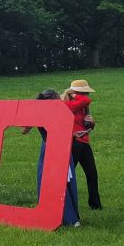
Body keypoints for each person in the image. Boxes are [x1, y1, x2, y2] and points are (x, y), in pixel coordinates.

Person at [23, 90, 80, 227]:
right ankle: (66, 218)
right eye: (57, 99)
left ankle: (69, 218)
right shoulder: (46, 113)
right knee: (57, 182)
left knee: (63, 182)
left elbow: (25, 130)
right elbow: (24, 130)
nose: (60, 101)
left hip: (59, 147)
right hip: (52, 149)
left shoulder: (56, 112)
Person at [63, 79, 102, 209]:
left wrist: (91, 123)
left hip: (84, 142)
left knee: (92, 173)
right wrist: (74, 94)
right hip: (73, 143)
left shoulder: (82, 107)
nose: (87, 96)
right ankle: (65, 203)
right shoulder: (68, 104)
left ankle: (95, 204)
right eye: (85, 93)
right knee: (67, 175)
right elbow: (85, 100)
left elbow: (86, 126)